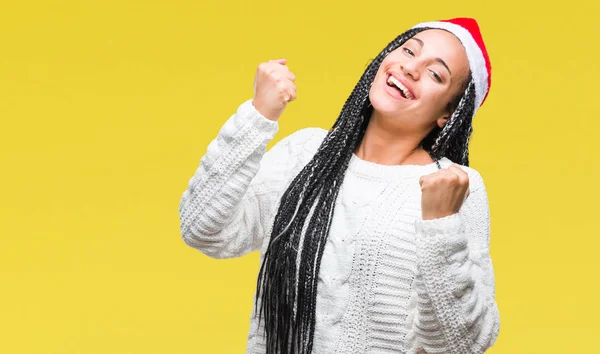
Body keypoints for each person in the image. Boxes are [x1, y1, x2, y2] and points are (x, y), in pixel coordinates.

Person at [179, 17, 500, 354]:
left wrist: (441, 226)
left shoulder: (454, 188)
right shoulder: (305, 154)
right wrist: (259, 115)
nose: (410, 69)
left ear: (448, 113)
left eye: (436, 74)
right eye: (408, 51)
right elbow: (202, 229)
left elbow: (461, 345)